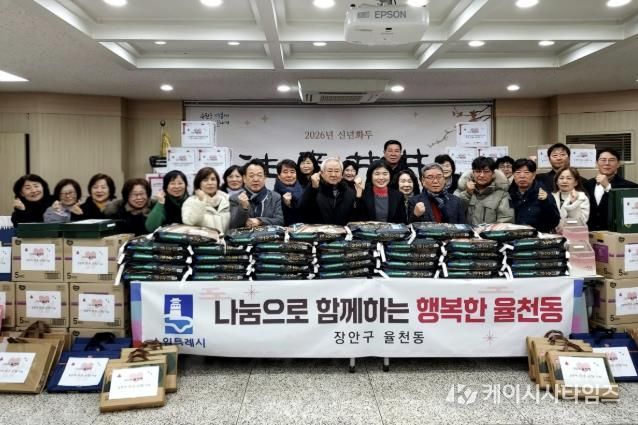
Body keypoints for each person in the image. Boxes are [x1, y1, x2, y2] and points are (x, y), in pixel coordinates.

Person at [300, 157, 365, 225]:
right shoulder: (314, 188)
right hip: (319, 230)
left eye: (337, 171)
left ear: (341, 174)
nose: (333, 175)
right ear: (322, 173)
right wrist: (313, 189)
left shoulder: (349, 192)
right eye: (329, 171)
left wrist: (358, 198)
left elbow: (358, 218)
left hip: (342, 231)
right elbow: (303, 211)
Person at [585, 148, 638, 231]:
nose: (607, 163)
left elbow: (630, 213)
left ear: (618, 164)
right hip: (589, 233)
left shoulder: (631, 186)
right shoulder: (587, 185)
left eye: (611, 160)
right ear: (596, 163)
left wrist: (608, 187)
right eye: (603, 160)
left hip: (615, 233)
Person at [455, 157, 514, 225]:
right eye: (478, 171)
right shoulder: (461, 191)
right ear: (473, 173)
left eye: (486, 171)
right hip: (467, 231)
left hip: (492, 231)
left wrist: (488, 230)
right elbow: (455, 214)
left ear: (493, 174)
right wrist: (467, 194)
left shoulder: (502, 195)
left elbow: (506, 221)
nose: (482, 175)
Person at [509, 158, 560, 233]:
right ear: (513, 175)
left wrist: (545, 202)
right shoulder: (508, 194)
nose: (522, 176)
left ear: (534, 175)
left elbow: (554, 222)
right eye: (518, 172)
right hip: (513, 235)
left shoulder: (543, 193)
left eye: (526, 172)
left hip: (537, 236)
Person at [229, 159, 284, 229]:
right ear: (244, 179)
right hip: (244, 236)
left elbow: (280, 221)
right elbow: (233, 226)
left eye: (259, 175)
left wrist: (260, 221)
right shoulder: (234, 198)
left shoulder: (275, 197)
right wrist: (243, 208)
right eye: (251, 176)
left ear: (265, 178)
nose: (255, 179)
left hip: (268, 236)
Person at [182, 167, 230, 233]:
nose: (210, 183)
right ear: (198, 184)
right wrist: (201, 201)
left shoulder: (227, 199)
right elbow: (190, 222)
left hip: (227, 239)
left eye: (213, 179)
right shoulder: (191, 201)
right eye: (205, 180)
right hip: (204, 239)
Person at [273, 159, 304, 226]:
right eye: (285, 172)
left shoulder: (304, 191)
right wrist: (287, 206)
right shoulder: (273, 196)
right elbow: (278, 221)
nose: (289, 175)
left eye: (292, 172)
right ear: (279, 176)